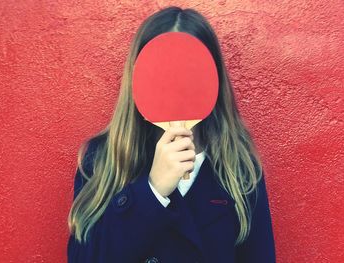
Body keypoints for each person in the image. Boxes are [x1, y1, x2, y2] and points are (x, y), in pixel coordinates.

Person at [67, 6, 276, 263]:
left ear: (213, 80)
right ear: (138, 80)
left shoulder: (241, 169)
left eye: (191, 74)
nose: (176, 89)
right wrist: (152, 192)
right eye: (162, 75)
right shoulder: (101, 160)